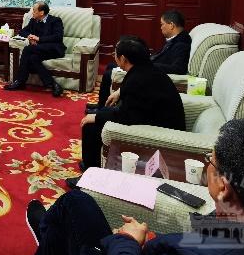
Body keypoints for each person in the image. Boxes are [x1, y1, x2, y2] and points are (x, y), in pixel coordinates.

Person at [19, 118, 244, 255]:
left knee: (74, 204)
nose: (207, 166)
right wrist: (157, 241)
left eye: (210, 161)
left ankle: (50, 234)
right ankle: (52, 239)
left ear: (224, 188)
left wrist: (128, 240)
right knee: (61, 231)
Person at [73, 35, 184, 178]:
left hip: (162, 132)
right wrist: (119, 92)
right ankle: (91, 163)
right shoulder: (146, 69)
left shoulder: (137, 80)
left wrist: (97, 117)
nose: (114, 56)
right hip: (154, 118)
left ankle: (90, 175)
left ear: (123, 59)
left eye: (115, 54)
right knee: (105, 111)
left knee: (91, 125)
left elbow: (127, 117)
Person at [92, 10, 191, 110]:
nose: (161, 27)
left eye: (162, 24)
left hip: (150, 72)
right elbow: (161, 57)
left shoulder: (182, 44)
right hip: (149, 67)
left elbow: (178, 68)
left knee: (108, 73)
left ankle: (102, 108)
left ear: (171, 25)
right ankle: (102, 104)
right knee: (111, 65)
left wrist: (148, 64)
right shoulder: (175, 39)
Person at [4, 2, 65, 97]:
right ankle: (53, 85)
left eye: (34, 11)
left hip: (54, 49)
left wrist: (39, 39)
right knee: (33, 58)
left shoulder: (55, 21)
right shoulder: (34, 21)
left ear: (41, 12)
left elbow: (58, 37)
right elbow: (22, 31)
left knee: (27, 49)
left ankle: (20, 81)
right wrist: (30, 36)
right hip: (39, 49)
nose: (32, 13)